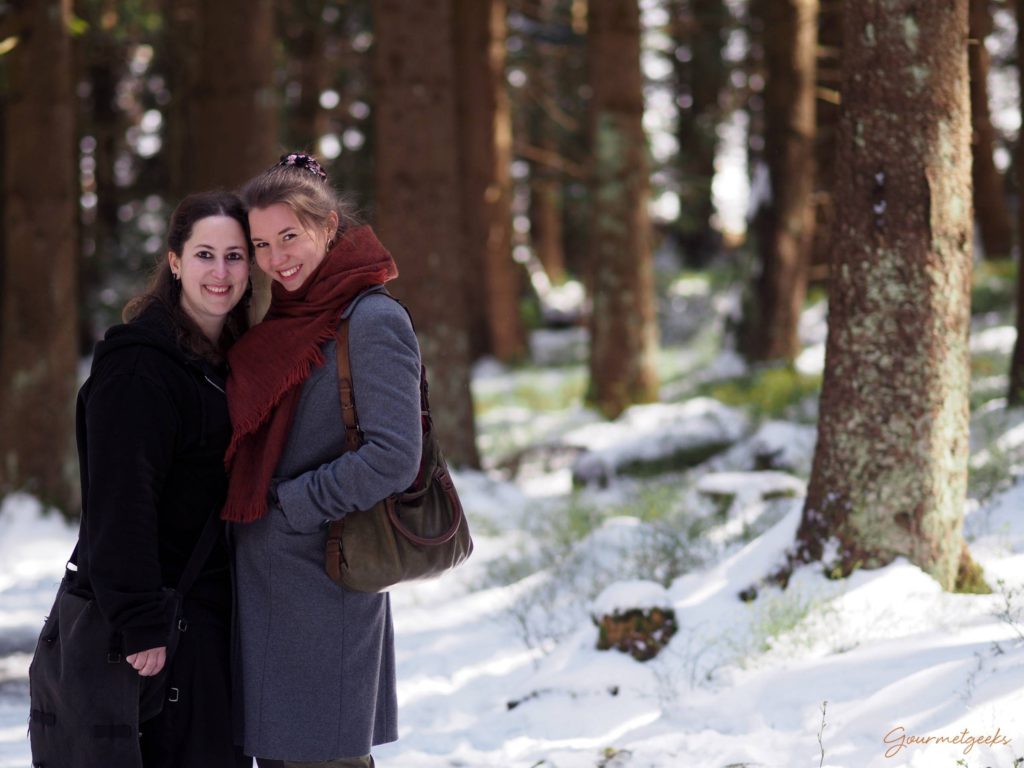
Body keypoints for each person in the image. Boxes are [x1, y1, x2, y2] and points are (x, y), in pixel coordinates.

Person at [31, 191, 254, 768]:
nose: (221, 272)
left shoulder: (223, 360)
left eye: (235, 256)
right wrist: (139, 623)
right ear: (175, 261)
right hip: (157, 631)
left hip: (204, 622)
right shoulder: (139, 368)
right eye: (206, 254)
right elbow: (119, 503)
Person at [222, 153, 423, 768]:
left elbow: (395, 456)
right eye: (261, 244)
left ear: (328, 227)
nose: (277, 258)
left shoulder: (371, 319)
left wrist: (292, 505)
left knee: (325, 756)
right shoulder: (287, 319)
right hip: (269, 591)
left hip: (324, 583)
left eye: (290, 236)